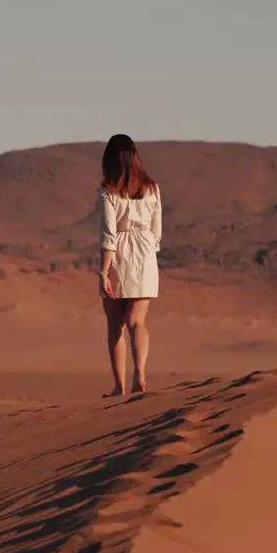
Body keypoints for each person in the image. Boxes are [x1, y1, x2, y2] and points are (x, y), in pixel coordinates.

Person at [97, 133, 162, 397]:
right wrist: (148, 251)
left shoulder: (108, 190)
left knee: (115, 325)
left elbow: (108, 234)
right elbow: (157, 232)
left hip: (118, 257)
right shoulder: (152, 188)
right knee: (138, 321)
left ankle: (119, 386)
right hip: (146, 255)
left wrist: (103, 271)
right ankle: (141, 375)